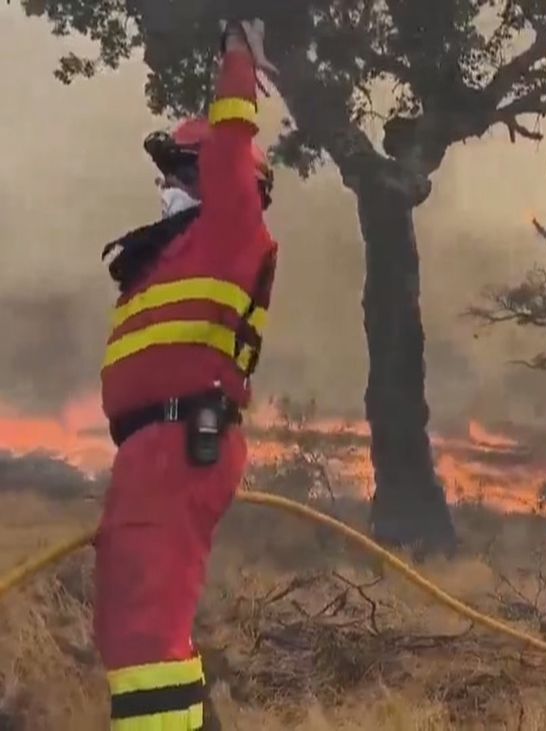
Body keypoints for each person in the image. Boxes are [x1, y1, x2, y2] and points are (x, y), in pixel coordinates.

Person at [94, 19, 279, 730]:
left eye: (179, 171)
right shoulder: (168, 257)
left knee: (145, 639)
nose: (166, 186)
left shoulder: (232, 230)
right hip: (148, 449)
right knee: (129, 625)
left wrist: (237, 56)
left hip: (181, 439)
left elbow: (232, 147)